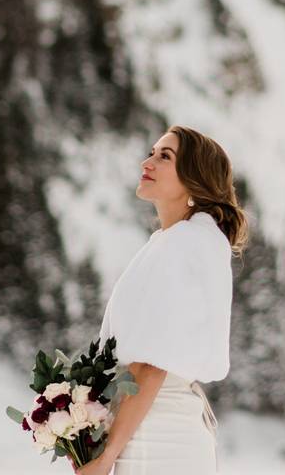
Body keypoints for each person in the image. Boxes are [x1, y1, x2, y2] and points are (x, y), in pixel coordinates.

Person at [73, 125, 249, 475]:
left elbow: (152, 364)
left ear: (193, 180)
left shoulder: (185, 244)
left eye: (164, 156)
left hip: (156, 436)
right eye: (152, 152)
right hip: (150, 425)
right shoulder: (180, 242)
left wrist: (106, 456)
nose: (147, 161)